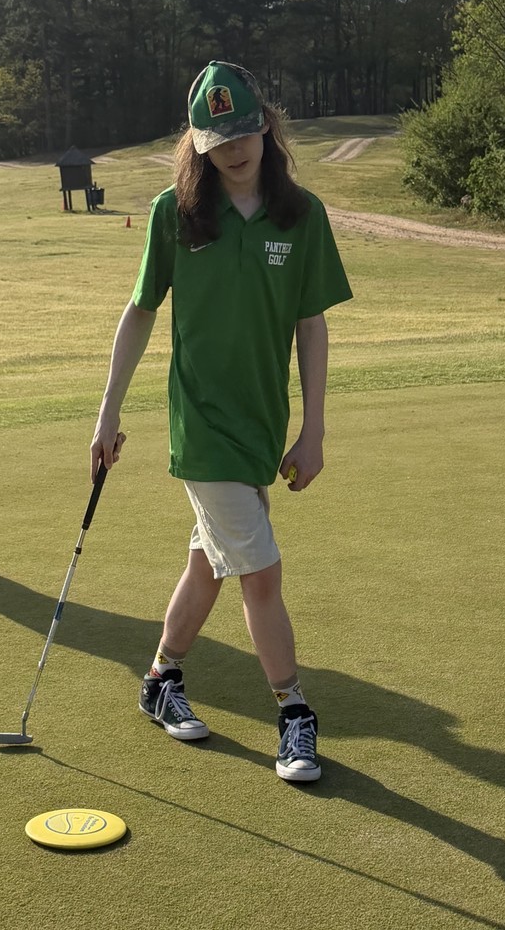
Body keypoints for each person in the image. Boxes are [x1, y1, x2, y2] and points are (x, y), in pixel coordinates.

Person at [90, 61, 353, 782]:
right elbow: (141, 309)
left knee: (208, 561)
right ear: (198, 143)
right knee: (260, 575)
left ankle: (160, 679)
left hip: (262, 424)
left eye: (244, 131)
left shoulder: (302, 216)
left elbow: (311, 324)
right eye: (217, 136)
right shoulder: (173, 215)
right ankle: (294, 712)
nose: (233, 148)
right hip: (201, 426)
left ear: (265, 126)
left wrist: (314, 429)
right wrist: (108, 413)